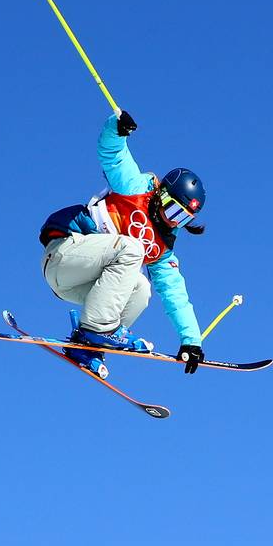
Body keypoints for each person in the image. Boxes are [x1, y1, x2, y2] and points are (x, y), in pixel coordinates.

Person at [37, 110, 206, 376]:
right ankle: (97, 328)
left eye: (183, 219)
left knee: (141, 287)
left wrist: (191, 340)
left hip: (80, 284)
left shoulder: (161, 248)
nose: (173, 221)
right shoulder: (135, 188)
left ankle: (87, 345)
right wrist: (116, 129)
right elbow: (113, 155)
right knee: (132, 249)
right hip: (64, 255)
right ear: (162, 194)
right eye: (173, 210)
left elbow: (176, 295)